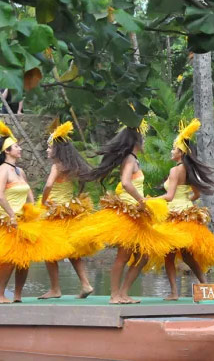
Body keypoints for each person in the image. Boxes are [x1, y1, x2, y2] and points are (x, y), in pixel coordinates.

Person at [0, 118, 73, 304]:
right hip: (7, 219)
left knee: (23, 260)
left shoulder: (19, 171)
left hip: (23, 220)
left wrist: (33, 209)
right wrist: (11, 214)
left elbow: (28, 193)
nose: (20, 149)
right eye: (16, 147)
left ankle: (17, 295)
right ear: (7, 151)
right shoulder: (4, 170)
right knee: (9, 259)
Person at [72, 126, 190, 304]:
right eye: (141, 138)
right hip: (129, 212)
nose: (144, 141)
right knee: (123, 256)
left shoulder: (134, 159)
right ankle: (114, 295)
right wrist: (142, 201)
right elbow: (126, 183)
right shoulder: (129, 159)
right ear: (135, 142)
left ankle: (124, 292)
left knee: (143, 256)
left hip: (137, 213)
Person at [155, 119, 214, 300]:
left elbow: (170, 196)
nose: (171, 151)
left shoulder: (175, 171)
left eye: (174, 149)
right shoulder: (188, 169)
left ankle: (174, 293)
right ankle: (205, 286)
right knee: (188, 256)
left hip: (174, 216)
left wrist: (149, 200)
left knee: (169, 256)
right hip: (187, 213)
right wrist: (185, 202)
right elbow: (195, 194)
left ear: (180, 152)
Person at [36, 121, 95, 300]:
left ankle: (55, 289)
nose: (47, 150)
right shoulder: (71, 167)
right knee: (72, 252)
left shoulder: (56, 166)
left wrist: (44, 202)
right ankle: (86, 284)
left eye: (49, 147)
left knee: (49, 251)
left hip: (55, 213)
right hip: (70, 212)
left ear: (57, 150)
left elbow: (48, 185)